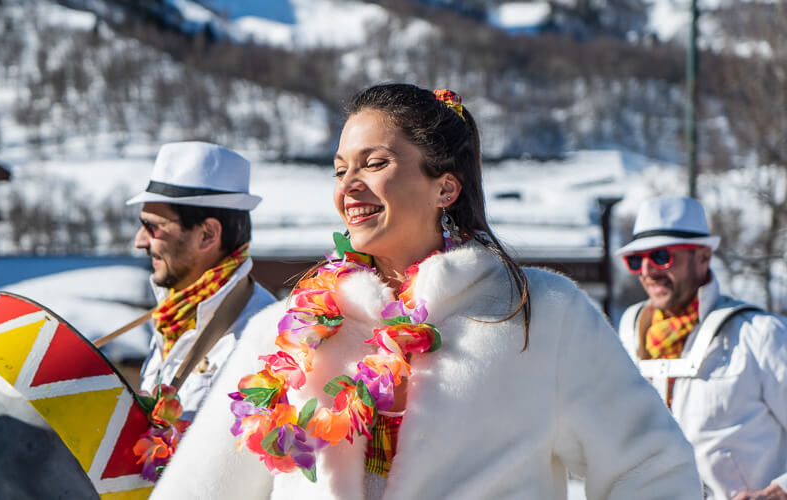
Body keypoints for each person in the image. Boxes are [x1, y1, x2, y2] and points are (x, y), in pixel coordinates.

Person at [149, 84, 701, 499]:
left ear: (445, 185)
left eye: (376, 163)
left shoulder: (542, 316)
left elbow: (651, 468)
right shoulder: (285, 333)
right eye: (340, 169)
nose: (350, 186)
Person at [616, 196, 787, 500]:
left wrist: (777, 492)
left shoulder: (761, 334)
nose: (647, 270)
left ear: (704, 257)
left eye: (661, 256)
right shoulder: (628, 333)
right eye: (635, 260)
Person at [127, 141, 276, 421]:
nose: (139, 241)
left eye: (153, 227)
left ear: (207, 234)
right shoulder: (173, 314)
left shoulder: (264, 337)